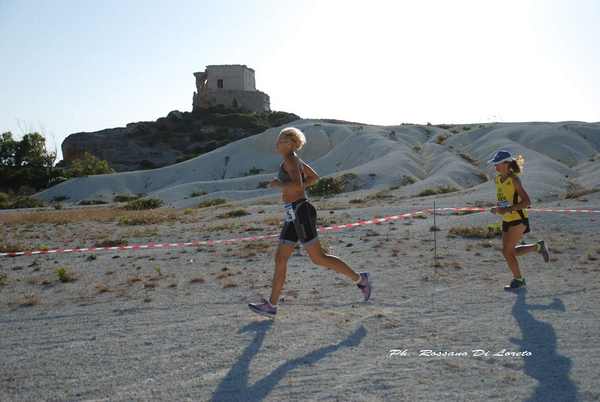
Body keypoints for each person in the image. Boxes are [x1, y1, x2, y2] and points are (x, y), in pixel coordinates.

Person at [248, 127, 371, 317]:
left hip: (301, 211)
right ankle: (271, 305)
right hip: (293, 213)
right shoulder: (295, 159)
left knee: (318, 258)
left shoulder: (291, 160)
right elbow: (314, 178)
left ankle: (360, 279)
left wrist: (279, 185)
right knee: (280, 258)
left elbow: (298, 184)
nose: (277, 143)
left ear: (290, 143)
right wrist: (294, 190)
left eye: (281, 140)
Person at [488, 150, 550, 290]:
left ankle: (519, 280)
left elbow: (527, 202)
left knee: (507, 251)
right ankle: (538, 247)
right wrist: (497, 208)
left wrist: (507, 209)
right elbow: (504, 200)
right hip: (506, 218)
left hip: (518, 219)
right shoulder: (497, 179)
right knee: (508, 251)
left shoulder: (514, 180)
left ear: (506, 164)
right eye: (494, 164)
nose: (495, 166)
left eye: (497, 163)